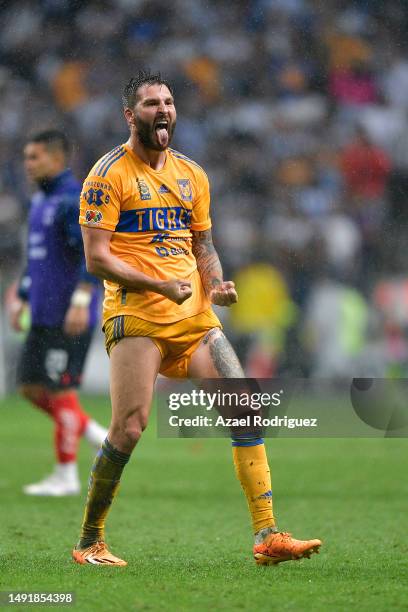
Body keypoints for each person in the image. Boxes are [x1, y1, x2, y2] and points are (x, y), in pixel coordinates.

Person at [72, 71, 321, 566]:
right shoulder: (107, 176)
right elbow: (96, 258)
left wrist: (217, 283)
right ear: (130, 116)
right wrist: (158, 284)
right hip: (137, 315)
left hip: (195, 319)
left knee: (245, 407)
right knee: (129, 427)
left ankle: (267, 536)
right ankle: (89, 541)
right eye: (149, 104)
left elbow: (203, 244)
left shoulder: (193, 174)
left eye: (167, 101)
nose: (162, 109)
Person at [10, 130, 107, 496]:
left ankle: (65, 475)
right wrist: (21, 294)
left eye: (34, 157)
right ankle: (94, 433)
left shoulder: (72, 200)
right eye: (26, 157)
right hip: (43, 312)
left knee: (60, 389)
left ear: (56, 158)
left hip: (70, 314)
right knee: (31, 387)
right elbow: (38, 257)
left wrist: (82, 301)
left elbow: (90, 254)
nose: (28, 164)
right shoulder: (40, 201)